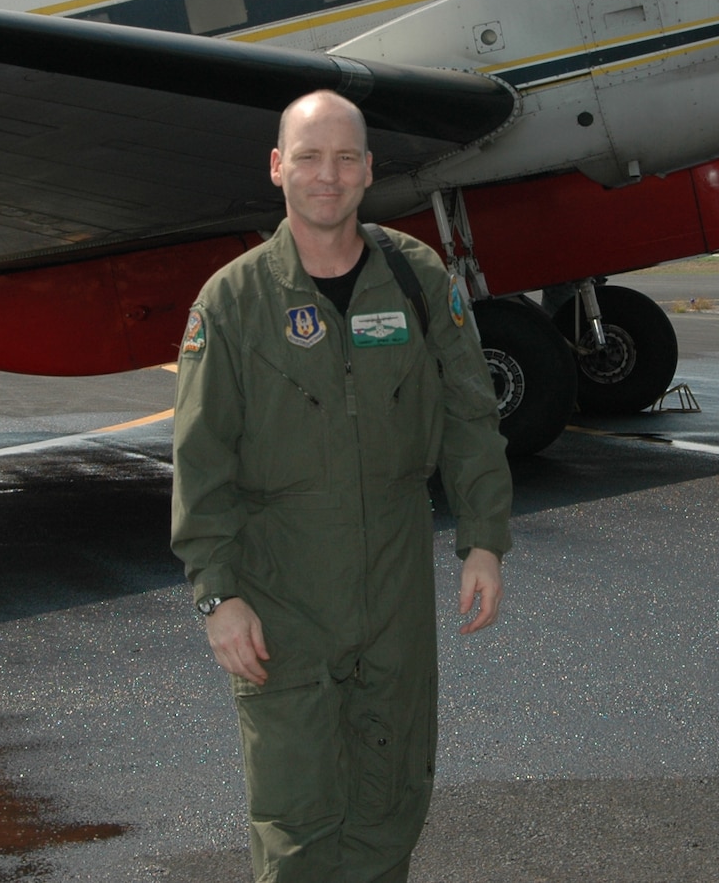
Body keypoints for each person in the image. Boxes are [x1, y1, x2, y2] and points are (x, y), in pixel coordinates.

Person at [171, 89, 514, 881]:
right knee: (296, 821)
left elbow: (469, 413)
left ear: (367, 170)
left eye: (345, 157)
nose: (327, 176)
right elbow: (202, 459)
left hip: (394, 584)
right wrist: (217, 596)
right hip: (280, 593)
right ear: (277, 168)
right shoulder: (232, 302)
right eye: (309, 157)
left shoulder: (417, 278)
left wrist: (483, 541)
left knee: (390, 804)